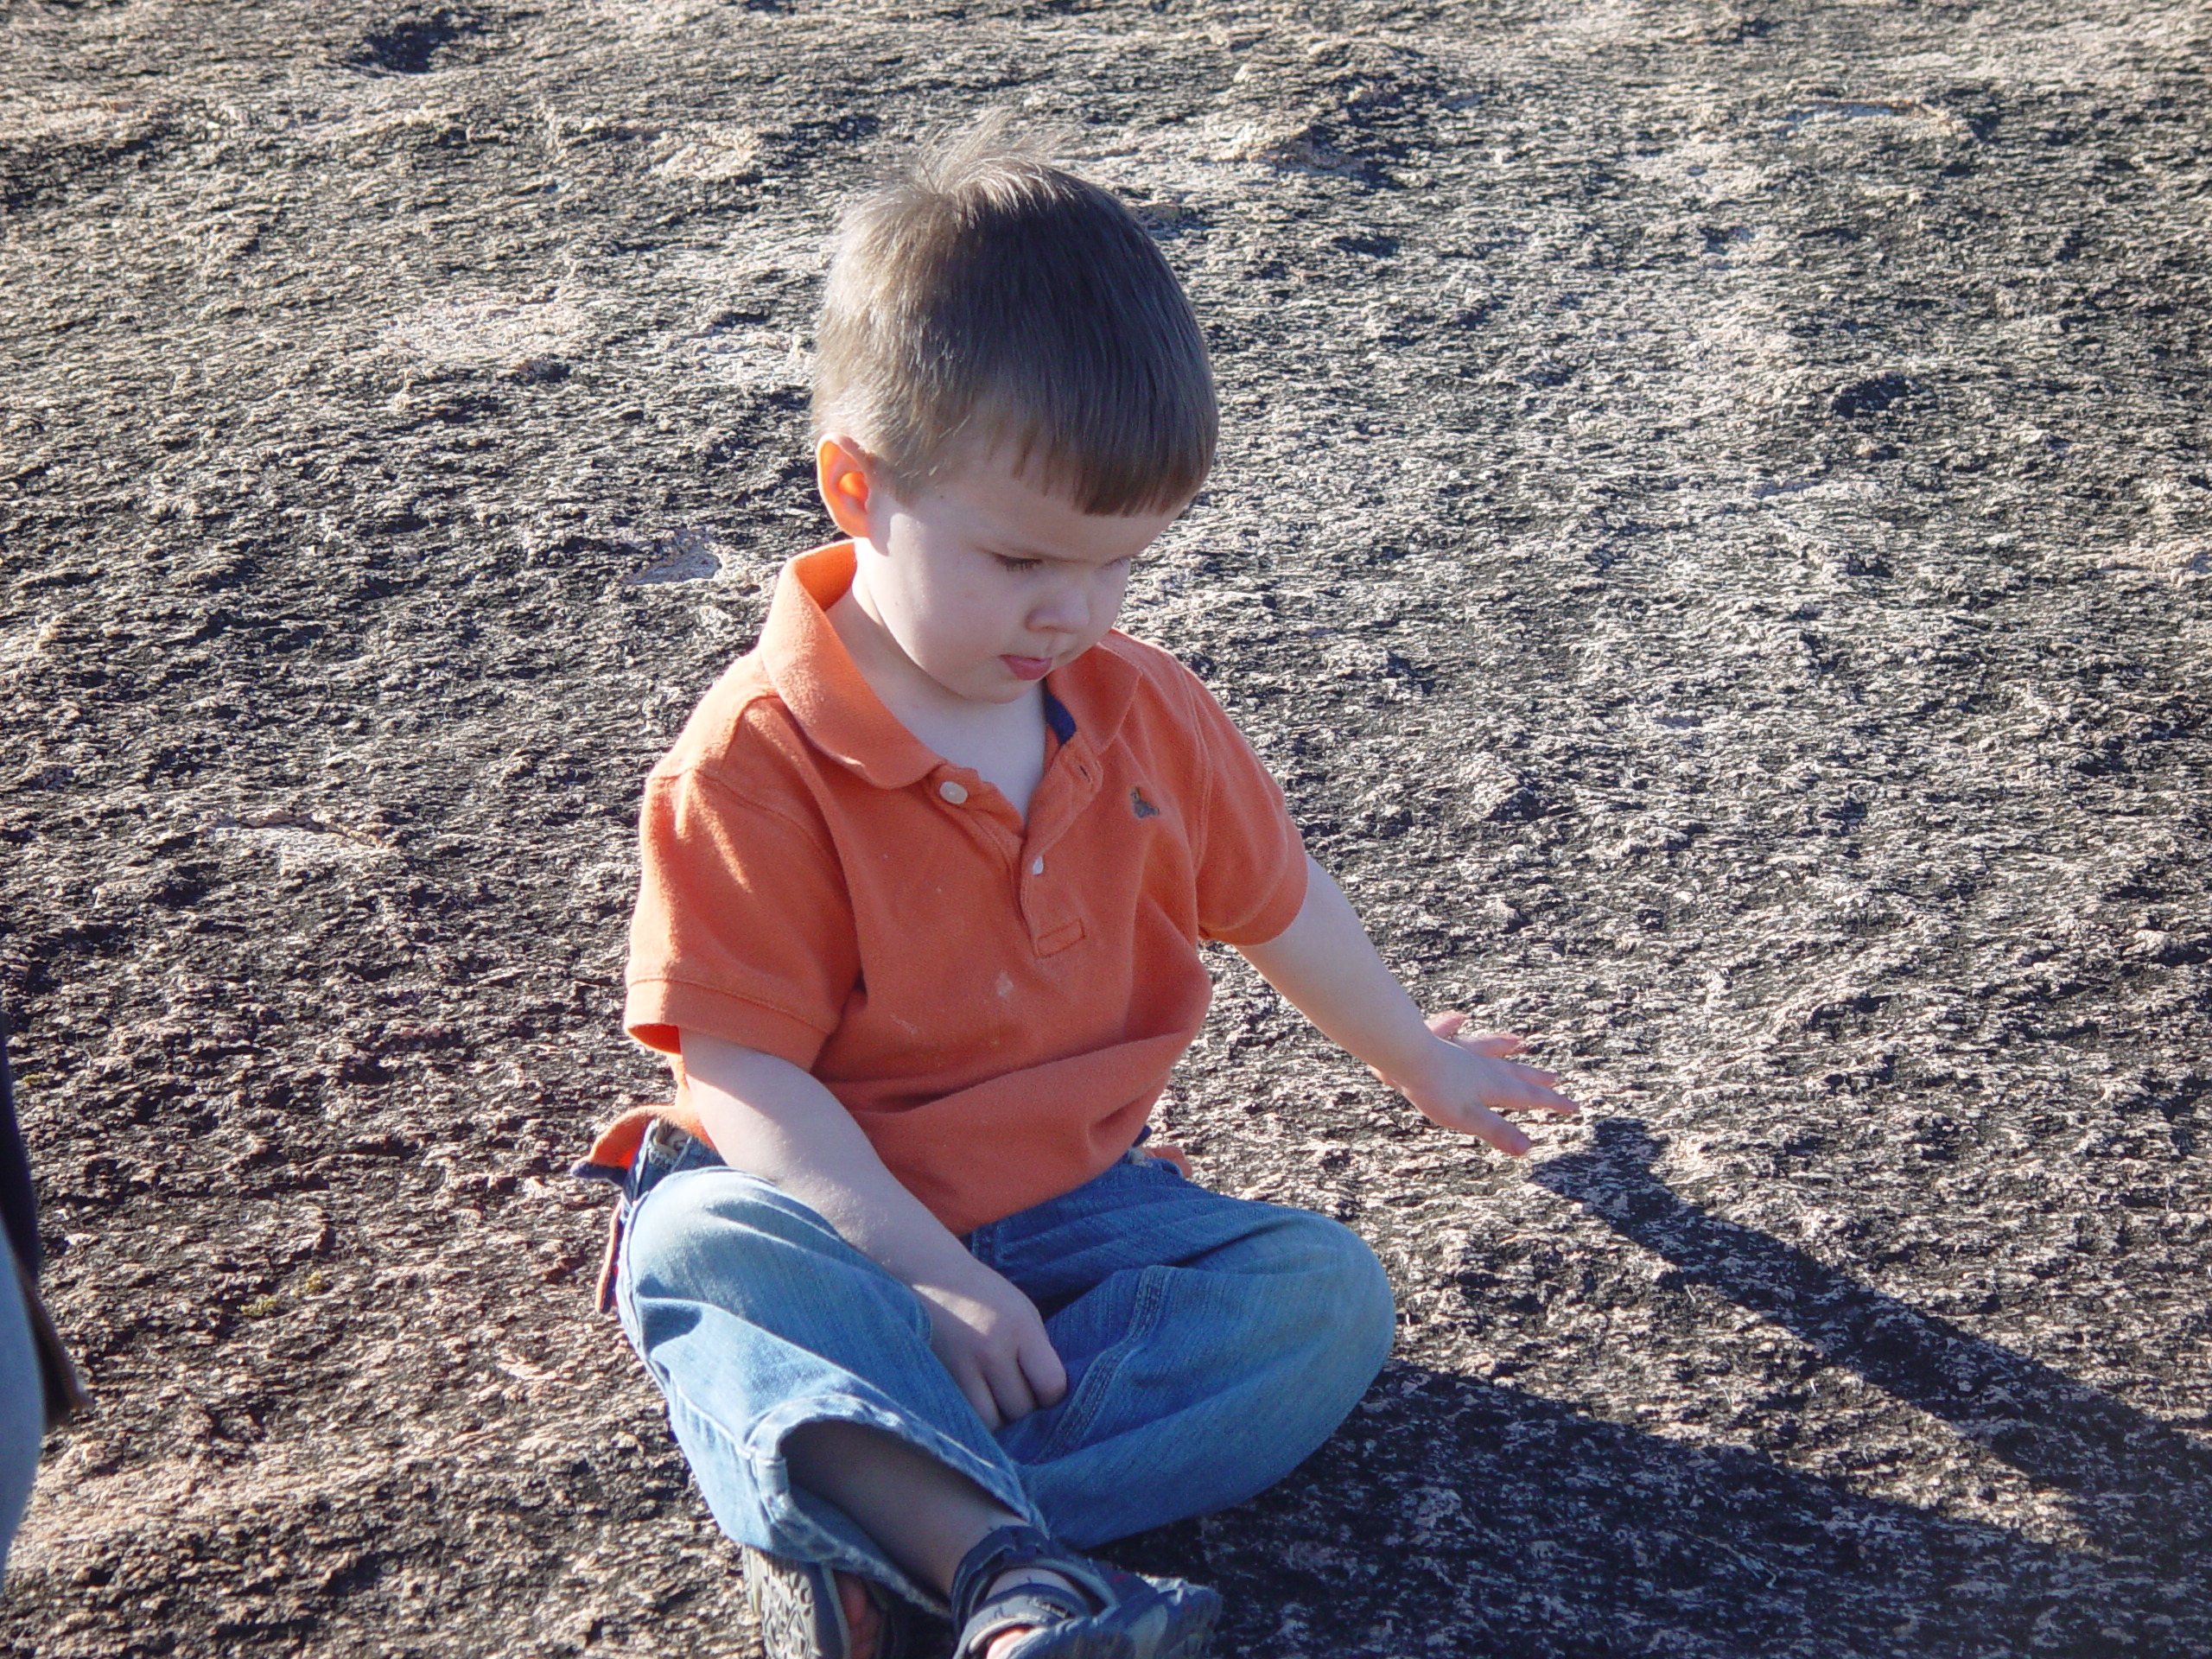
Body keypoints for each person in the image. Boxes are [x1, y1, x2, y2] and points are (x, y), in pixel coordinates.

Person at [574, 124, 1578, 1659]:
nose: (1077, 614)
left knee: (1319, 1297)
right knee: (698, 1257)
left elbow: (1276, 904)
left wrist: (1417, 1057)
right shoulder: (753, 765)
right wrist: (921, 1278)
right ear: (857, 485)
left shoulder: (1142, 710)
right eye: (1023, 560)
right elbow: (741, 1073)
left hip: (1078, 1218)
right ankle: (988, 1562)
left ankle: (901, 1534)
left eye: (1123, 565)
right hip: (832, 1219)